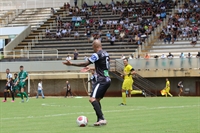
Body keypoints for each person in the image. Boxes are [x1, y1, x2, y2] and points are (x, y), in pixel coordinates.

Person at [63, 40, 111, 126]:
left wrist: (72, 64)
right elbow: (103, 67)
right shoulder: (106, 53)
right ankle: (100, 119)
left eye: (92, 46)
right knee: (97, 100)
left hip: (101, 80)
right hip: (107, 79)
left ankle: (102, 119)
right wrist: (91, 69)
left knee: (92, 99)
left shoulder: (97, 54)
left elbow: (85, 63)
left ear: (95, 46)